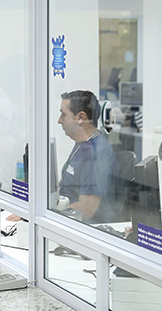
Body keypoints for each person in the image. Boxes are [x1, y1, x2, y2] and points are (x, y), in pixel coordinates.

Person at [56, 90, 119, 223]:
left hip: (89, 228)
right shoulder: (82, 145)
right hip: (68, 220)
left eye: (63, 114)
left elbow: (86, 210)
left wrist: (48, 210)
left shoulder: (96, 154)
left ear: (80, 118)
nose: (59, 120)